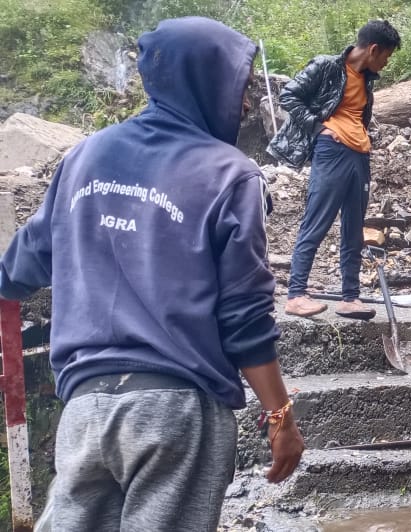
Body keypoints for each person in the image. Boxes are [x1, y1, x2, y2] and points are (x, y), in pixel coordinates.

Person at [0, 18, 304, 531]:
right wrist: (280, 416)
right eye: (242, 85)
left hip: (86, 409)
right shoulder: (229, 174)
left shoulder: (84, 157)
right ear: (205, 79)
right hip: (177, 411)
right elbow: (245, 315)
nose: (248, 102)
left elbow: (20, 267)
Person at [269, 20, 402, 319]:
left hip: (359, 155)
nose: (386, 63)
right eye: (386, 56)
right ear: (373, 49)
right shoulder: (327, 66)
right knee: (317, 219)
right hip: (331, 152)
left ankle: (350, 297)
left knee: (354, 228)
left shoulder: (367, 78)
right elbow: (289, 95)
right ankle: (296, 294)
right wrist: (319, 128)